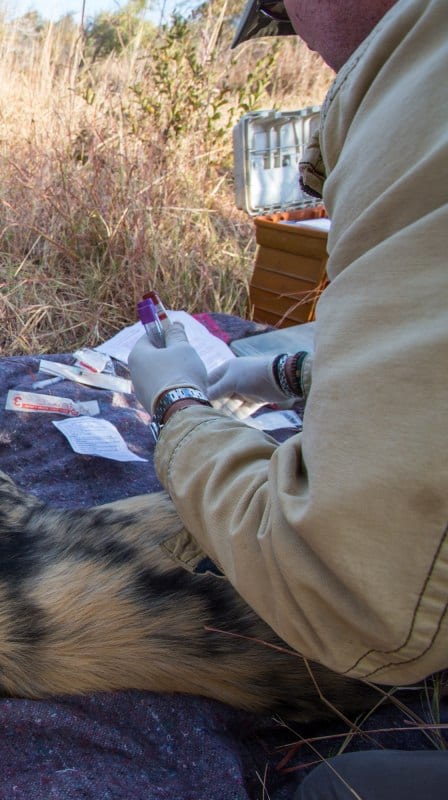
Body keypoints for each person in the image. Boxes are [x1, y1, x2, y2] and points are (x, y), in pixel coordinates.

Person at [130, 1, 448, 797]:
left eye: (282, 12)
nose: (302, 43)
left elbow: (343, 584)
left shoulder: (420, 102)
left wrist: (174, 408)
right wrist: (284, 375)